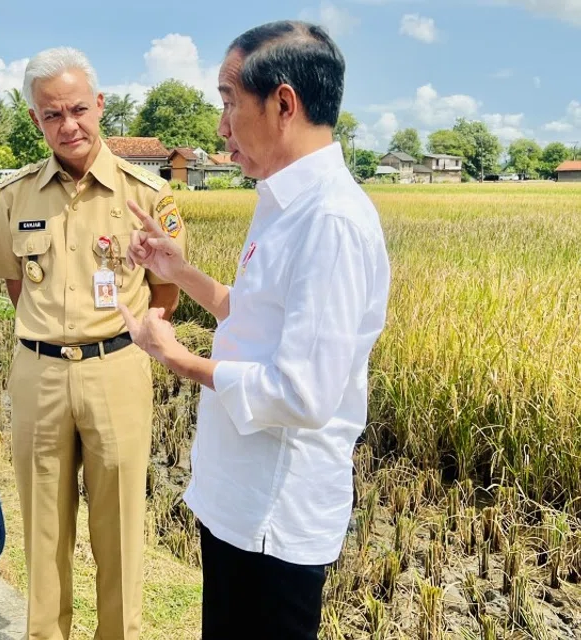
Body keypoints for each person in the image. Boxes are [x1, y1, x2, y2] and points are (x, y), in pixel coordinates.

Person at [119, 22, 391, 639]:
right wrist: (179, 271)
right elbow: (256, 317)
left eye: (228, 101)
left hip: (277, 516)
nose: (220, 126)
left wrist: (179, 358)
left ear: (284, 104)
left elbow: (303, 392)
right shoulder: (283, 201)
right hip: (239, 500)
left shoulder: (331, 221)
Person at [0, 47, 186, 640]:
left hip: (116, 369)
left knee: (120, 524)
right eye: (52, 115)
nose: (68, 125)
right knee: (43, 524)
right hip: (40, 370)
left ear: (100, 105)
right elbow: (19, 288)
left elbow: (165, 293)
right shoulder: (14, 197)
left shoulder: (147, 195)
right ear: (35, 121)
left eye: (78, 109)